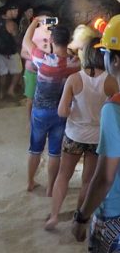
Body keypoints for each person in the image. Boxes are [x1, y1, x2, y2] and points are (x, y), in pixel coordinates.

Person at [45, 37, 118, 230]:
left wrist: (74, 113)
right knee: (88, 180)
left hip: (74, 134)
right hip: (97, 138)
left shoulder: (74, 79)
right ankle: (79, 216)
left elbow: (62, 111)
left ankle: (53, 216)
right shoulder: (111, 82)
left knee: (63, 175)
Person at [72, 15, 120, 251]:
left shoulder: (114, 109)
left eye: (107, 52)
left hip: (114, 211)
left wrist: (82, 217)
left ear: (116, 60)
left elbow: (104, 177)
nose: (104, 57)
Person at [23, 18, 80, 195]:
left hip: (40, 110)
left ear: (52, 41)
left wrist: (35, 22)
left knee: (35, 149)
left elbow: (26, 41)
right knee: (55, 152)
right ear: (68, 41)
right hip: (61, 112)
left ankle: (30, 182)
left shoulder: (44, 60)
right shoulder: (75, 63)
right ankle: (50, 188)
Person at [0, 3, 22, 99]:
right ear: (9, 11)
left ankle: (1, 92)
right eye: (15, 10)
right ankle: (11, 90)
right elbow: (17, 40)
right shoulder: (11, 24)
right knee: (18, 71)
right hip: (10, 53)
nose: (17, 13)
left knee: (3, 73)